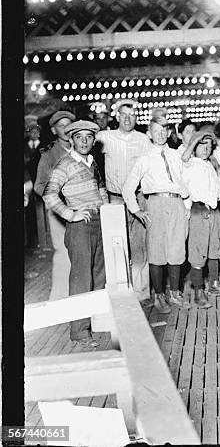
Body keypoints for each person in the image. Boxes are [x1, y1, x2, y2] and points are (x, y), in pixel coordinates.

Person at [42, 120, 108, 348]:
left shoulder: (93, 162)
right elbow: (49, 195)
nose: (84, 141)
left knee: (100, 276)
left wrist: (107, 211)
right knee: (82, 279)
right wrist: (71, 214)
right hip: (80, 228)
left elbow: (101, 190)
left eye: (88, 137)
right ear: (71, 140)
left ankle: (97, 322)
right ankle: (79, 332)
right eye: (79, 137)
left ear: (93, 139)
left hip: (100, 223)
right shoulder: (65, 164)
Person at [122, 117, 190, 313]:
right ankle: (159, 295)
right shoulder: (144, 158)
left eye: (164, 130)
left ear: (169, 132)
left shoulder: (177, 155)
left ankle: (175, 292)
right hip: (155, 204)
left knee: (177, 250)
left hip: (177, 203)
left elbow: (184, 180)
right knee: (157, 252)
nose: (160, 134)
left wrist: (186, 205)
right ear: (149, 134)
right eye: (156, 130)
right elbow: (128, 188)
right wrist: (137, 210)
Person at [96, 99, 152, 302]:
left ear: (137, 117)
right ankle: (121, 292)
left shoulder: (144, 139)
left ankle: (141, 291)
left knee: (139, 245)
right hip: (115, 199)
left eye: (132, 115)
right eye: (123, 115)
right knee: (117, 245)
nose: (128, 118)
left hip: (138, 198)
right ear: (117, 117)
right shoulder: (105, 137)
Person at [182, 130, 220, 306]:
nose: (206, 149)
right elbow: (186, 155)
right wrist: (198, 137)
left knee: (214, 250)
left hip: (214, 211)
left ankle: (213, 284)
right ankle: (198, 291)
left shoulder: (210, 165)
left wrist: (218, 171)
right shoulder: (189, 163)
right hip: (198, 210)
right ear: (195, 146)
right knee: (197, 252)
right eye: (202, 145)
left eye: (209, 146)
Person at [35, 111, 75, 300]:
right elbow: (39, 185)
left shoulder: (80, 148)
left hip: (79, 207)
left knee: (79, 250)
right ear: (53, 130)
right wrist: (56, 200)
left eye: (69, 124)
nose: (66, 129)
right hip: (59, 210)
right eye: (61, 126)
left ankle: (77, 294)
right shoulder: (49, 154)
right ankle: (58, 297)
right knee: (62, 251)